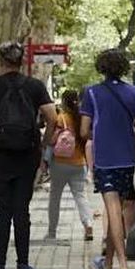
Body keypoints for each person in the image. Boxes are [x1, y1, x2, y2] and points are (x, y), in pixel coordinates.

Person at [0, 42, 58, 269]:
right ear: (22, 62)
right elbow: (53, 117)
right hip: (27, 155)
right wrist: (44, 143)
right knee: (22, 211)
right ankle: (24, 266)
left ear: (0, 61)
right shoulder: (35, 86)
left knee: (2, 212)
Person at [81, 49, 135, 269]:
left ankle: (122, 266)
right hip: (127, 159)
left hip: (104, 159)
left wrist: (102, 133)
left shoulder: (91, 93)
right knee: (119, 210)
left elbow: (83, 131)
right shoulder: (134, 93)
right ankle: (108, 262)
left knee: (112, 211)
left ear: (101, 67)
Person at [46, 89, 94, 242]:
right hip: (79, 163)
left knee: (55, 198)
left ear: (64, 102)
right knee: (80, 196)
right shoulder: (83, 118)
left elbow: (52, 141)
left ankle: (52, 231)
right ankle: (88, 225)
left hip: (59, 163)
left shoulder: (61, 118)